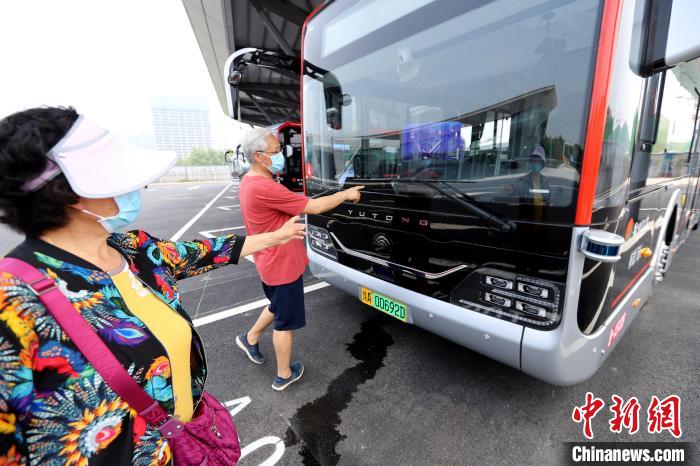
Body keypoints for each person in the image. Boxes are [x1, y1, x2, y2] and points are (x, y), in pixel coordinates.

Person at [0, 107, 305, 465]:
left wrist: (278, 235)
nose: (134, 185)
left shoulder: (134, 248)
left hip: (184, 445)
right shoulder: (14, 301)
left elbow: (209, 252)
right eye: (115, 174)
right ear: (67, 192)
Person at [235, 128, 363, 391]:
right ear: (259, 157)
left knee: (276, 306)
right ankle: (284, 374)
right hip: (281, 266)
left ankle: (250, 337)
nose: (282, 154)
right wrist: (345, 194)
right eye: (276, 151)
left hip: (268, 262)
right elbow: (313, 207)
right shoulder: (264, 187)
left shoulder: (249, 181)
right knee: (285, 323)